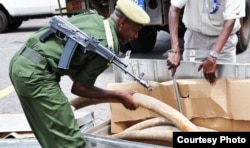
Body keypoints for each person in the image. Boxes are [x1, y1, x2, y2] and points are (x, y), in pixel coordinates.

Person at [8, 0, 150, 147]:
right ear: (122, 23)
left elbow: (73, 63)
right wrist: (118, 96)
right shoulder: (108, 45)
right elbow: (79, 88)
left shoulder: (95, 18)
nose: (136, 36)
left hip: (20, 64)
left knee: (50, 137)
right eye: (136, 29)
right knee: (72, 141)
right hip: (36, 75)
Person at [167, 0, 245, 84]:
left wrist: (213, 55)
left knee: (223, 85)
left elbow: (230, 20)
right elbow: (174, 9)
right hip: (195, 38)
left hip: (223, 41)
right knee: (192, 84)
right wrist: (175, 49)